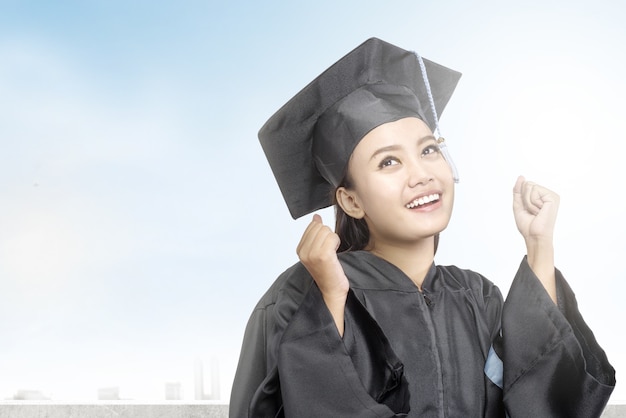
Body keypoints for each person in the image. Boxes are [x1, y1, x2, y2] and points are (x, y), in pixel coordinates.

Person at [229, 37, 616, 417]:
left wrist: (539, 246)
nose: (421, 175)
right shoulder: (300, 293)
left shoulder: (478, 297)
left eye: (429, 150)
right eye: (388, 163)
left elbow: (541, 401)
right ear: (351, 200)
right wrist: (330, 298)